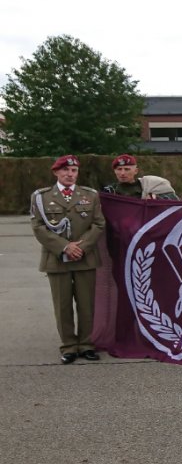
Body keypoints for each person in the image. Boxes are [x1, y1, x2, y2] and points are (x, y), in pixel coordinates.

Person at [30, 155, 106, 364]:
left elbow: (99, 224)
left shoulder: (90, 196)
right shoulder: (41, 197)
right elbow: (38, 227)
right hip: (57, 259)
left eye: (73, 171)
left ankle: (87, 344)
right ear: (56, 172)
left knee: (86, 304)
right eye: (65, 171)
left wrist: (80, 247)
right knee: (62, 305)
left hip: (85, 257)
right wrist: (65, 247)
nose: (69, 174)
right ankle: (69, 346)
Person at [102, 154, 178, 199]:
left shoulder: (149, 186)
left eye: (127, 169)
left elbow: (173, 204)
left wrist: (155, 199)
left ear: (136, 171)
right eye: (119, 169)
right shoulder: (109, 191)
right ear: (114, 171)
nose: (122, 173)